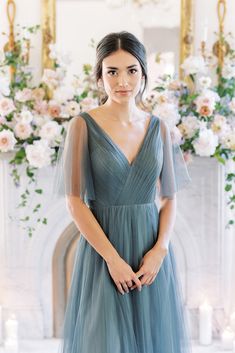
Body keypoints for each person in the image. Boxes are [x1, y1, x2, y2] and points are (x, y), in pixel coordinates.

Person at [58, 31, 192, 353]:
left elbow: (170, 197)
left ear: (143, 73)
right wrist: (113, 260)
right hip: (104, 253)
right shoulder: (82, 126)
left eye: (132, 70)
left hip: (150, 255)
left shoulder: (159, 127)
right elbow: (75, 202)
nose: (123, 81)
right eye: (112, 72)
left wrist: (160, 250)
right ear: (100, 76)